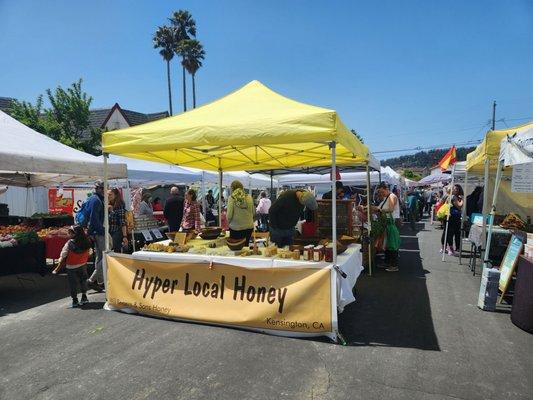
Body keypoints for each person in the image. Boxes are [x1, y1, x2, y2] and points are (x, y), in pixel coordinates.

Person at [59, 225, 92, 308]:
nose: (69, 234)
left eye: (70, 232)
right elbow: (90, 252)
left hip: (71, 266)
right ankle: (84, 297)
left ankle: (75, 300)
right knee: (83, 280)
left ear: (74, 234)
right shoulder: (87, 241)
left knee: (73, 283)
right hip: (82, 264)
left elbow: (63, 254)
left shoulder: (69, 243)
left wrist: (60, 260)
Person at [373, 183, 401, 272]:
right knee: (388, 244)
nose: (381, 194)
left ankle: (394, 265)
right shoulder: (386, 198)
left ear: (386, 189)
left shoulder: (392, 196)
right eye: (380, 192)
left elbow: (391, 209)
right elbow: (381, 208)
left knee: (392, 244)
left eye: (382, 191)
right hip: (387, 223)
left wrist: (378, 210)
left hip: (392, 222)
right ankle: (388, 262)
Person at [86, 181, 105, 292]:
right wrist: (101, 231)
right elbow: (94, 219)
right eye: (101, 188)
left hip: (95, 232)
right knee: (104, 257)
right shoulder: (96, 200)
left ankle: (100, 282)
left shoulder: (95, 199)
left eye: (104, 188)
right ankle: (92, 280)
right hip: (98, 233)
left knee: (100, 258)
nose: (103, 190)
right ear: (96, 188)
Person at [441, 184, 464, 256]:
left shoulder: (446, 196)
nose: (456, 190)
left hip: (446, 215)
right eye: (455, 189)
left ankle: (443, 248)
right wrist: (462, 199)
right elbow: (459, 206)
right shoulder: (453, 197)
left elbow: (441, 203)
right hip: (453, 217)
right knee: (450, 233)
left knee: (446, 232)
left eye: (457, 189)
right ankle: (451, 250)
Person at [108, 188, 128, 253]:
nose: (108, 196)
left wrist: (125, 236)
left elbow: (122, 222)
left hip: (116, 231)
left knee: (115, 250)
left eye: (110, 194)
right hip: (109, 231)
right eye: (108, 194)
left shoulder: (120, 205)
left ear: (116, 195)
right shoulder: (108, 204)